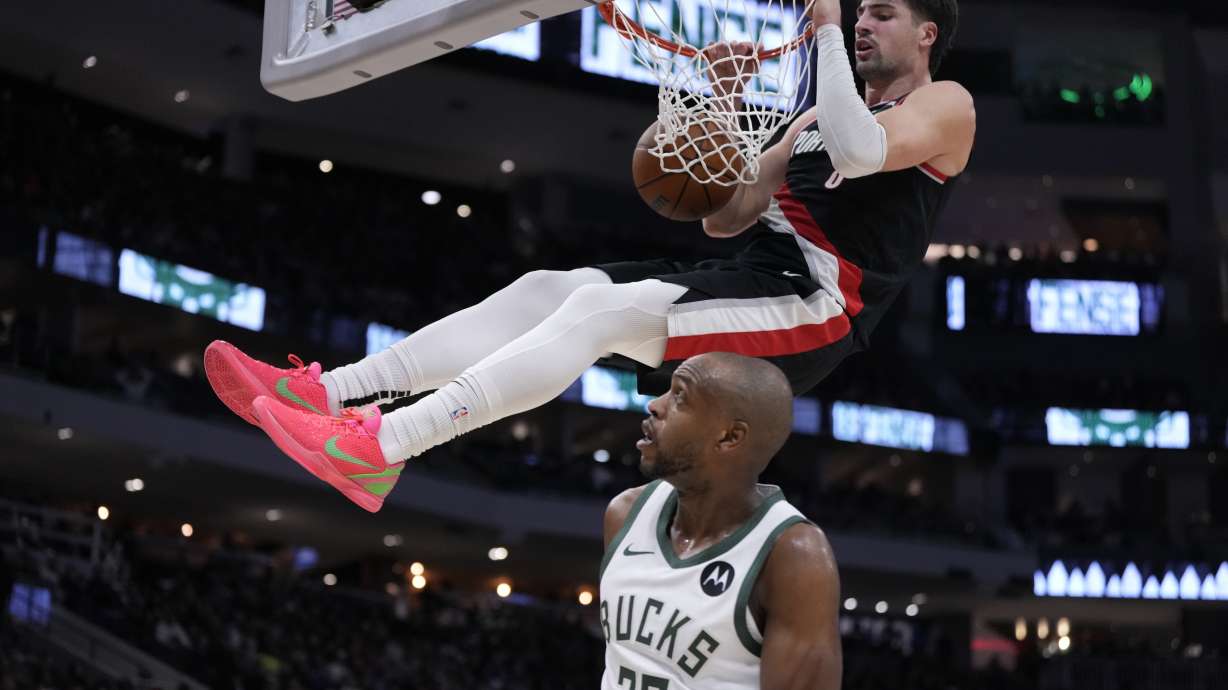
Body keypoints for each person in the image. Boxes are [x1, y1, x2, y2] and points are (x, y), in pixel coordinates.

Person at [203, 0, 974, 512]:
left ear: (928, 32)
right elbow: (729, 218)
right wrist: (728, 107)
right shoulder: (812, 114)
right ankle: (331, 396)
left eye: (884, 12)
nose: (865, 20)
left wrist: (831, 30)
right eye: (861, 11)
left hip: (818, 308)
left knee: (597, 310)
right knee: (551, 286)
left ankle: (388, 445)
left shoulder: (947, 106)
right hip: (753, 274)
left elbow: (862, 149)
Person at [599, 352, 840, 689]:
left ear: (730, 436)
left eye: (680, 397)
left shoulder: (793, 555)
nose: (655, 405)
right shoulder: (625, 513)